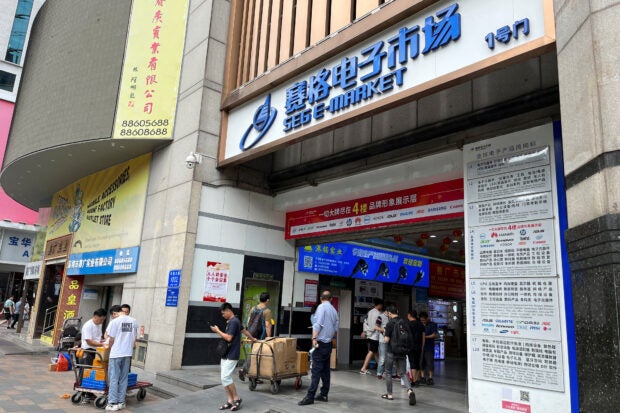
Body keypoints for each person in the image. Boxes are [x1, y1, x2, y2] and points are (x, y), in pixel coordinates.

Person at [210, 302, 256, 412]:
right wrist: (253, 338)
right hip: (226, 354)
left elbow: (229, 338)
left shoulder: (233, 322)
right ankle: (230, 400)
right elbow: (244, 330)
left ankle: (236, 398)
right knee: (224, 378)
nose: (222, 315)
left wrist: (217, 331)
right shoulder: (235, 321)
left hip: (232, 354)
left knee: (225, 377)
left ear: (228, 311)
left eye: (223, 313)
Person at [298, 289, 339, 406]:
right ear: (331, 299)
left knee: (316, 371)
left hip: (320, 344)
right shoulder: (334, 311)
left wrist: (314, 338)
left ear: (321, 299)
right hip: (328, 344)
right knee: (326, 371)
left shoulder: (321, 308)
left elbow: (318, 324)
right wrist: (331, 338)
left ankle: (310, 396)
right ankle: (324, 394)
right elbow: (336, 328)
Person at [105, 305, 138, 411]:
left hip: (116, 353)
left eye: (113, 315)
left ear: (115, 313)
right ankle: (121, 402)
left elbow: (111, 338)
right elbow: (133, 337)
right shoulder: (133, 321)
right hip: (127, 353)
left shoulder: (115, 322)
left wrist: (109, 347)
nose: (113, 316)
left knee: (113, 378)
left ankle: (112, 403)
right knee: (123, 378)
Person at [381, 305, 415, 405]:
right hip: (402, 351)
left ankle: (389, 394)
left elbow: (386, 339)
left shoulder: (390, 323)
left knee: (388, 373)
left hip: (391, 352)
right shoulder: (404, 322)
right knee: (403, 373)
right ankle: (410, 391)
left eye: (387, 313)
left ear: (389, 313)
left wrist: (385, 334)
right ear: (398, 311)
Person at [238, 292, 272, 381]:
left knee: (255, 354)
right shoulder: (267, 311)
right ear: (267, 300)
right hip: (261, 336)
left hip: (252, 335)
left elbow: (249, 321)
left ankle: (253, 377)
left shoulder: (253, 308)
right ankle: (244, 369)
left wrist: (249, 334)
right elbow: (268, 325)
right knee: (256, 355)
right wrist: (269, 338)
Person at [360, 298, 383, 374]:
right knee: (371, 351)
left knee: (375, 353)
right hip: (375, 336)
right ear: (379, 305)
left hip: (369, 335)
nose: (382, 307)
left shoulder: (370, 312)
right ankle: (363, 368)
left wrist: (365, 332)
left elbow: (365, 322)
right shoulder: (378, 314)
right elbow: (375, 327)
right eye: (381, 305)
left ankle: (381, 368)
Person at [407, 310, 426, 386]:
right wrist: (422, 346)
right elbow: (423, 336)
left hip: (410, 347)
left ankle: (413, 381)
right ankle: (416, 380)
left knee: (412, 363)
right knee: (417, 363)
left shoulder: (408, 324)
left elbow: (406, 336)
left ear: (410, 315)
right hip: (419, 346)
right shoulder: (421, 324)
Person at [419, 311, 438, 385]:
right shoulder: (420, 325)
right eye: (421, 320)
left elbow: (434, 335)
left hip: (429, 347)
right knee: (421, 362)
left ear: (427, 319)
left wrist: (425, 337)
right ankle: (422, 377)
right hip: (421, 347)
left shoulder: (432, 325)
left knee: (430, 363)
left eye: (423, 320)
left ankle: (430, 378)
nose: (422, 321)